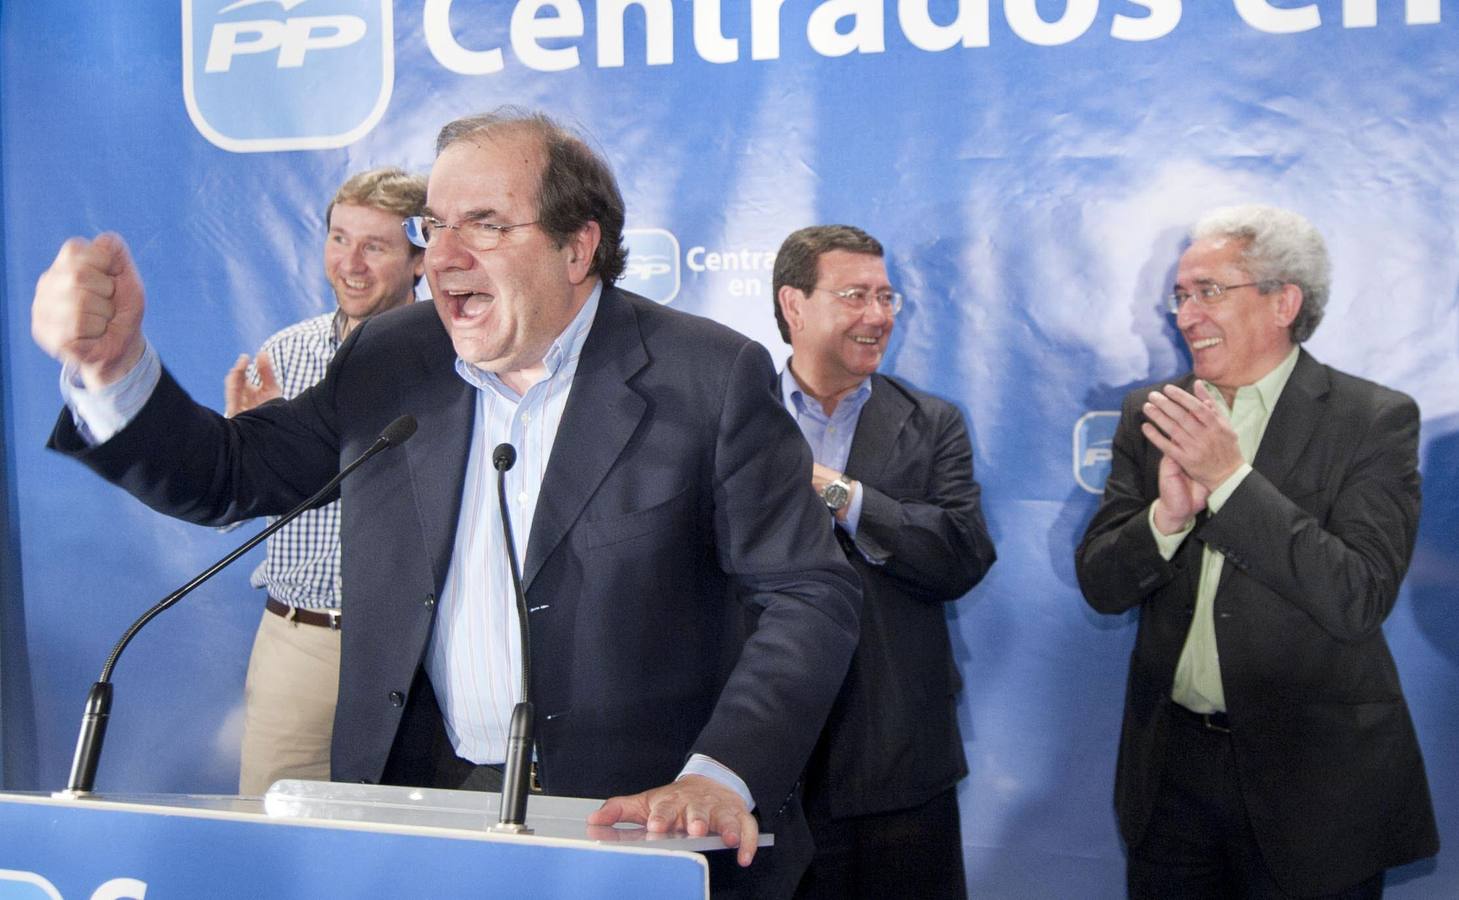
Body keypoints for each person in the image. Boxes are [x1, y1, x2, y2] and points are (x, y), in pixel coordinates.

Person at [32, 108, 861, 897]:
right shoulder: (393, 356)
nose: (441, 258)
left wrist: (718, 776)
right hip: (423, 800)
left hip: (635, 815)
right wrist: (114, 370)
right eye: (434, 226)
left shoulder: (707, 376)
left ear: (579, 248)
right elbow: (230, 470)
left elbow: (808, 594)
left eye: (486, 224)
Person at [1075, 204, 1438, 898]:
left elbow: (1356, 594)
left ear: (1283, 301)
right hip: (1170, 775)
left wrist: (1229, 482)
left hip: (1314, 787)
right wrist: (1165, 518)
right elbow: (1100, 583)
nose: (1184, 315)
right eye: (1180, 296)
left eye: (1208, 290)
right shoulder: (1152, 412)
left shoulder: (1372, 419)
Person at [771, 225, 996, 899]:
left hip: (900, 760)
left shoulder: (932, 423)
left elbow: (960, 554)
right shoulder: (736, 417)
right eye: (854, 296)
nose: (878, 317)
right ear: (794, 304)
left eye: (886, 296)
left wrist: (838, 493)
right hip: (772, 763)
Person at [222, 166, 427, 795]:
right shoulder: (285, 353)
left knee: (417, 847)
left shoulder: (457, 354)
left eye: (375, 245)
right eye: (339, 239)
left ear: (421, 260)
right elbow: (235, 505)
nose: (351, 263)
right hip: (302, 639)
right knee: (275, 849)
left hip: (419, 651)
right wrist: (249, 446)